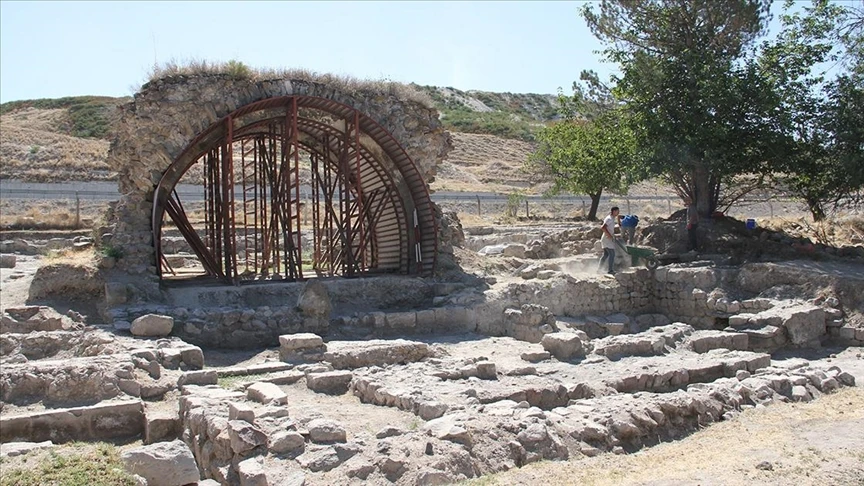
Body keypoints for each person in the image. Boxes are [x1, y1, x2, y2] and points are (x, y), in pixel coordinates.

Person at [598, 206, 620, 275]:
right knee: (612, 254)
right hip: (607, 239)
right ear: (613, 211)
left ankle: (599, 269)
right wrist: (609, 235)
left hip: (607, 238)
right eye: (617, 211)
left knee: (606, 254)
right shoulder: (609, 219)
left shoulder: (612, 218)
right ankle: (610, 270)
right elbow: (603, 227)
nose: (618, 213)